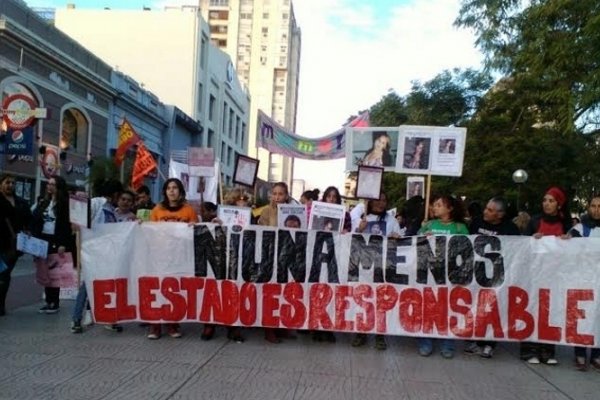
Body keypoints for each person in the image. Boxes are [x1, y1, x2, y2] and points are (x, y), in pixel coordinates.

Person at [520, 186, 571, 365]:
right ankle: (529, 350)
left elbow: (574, 248)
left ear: (559, 204)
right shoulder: (534, 221)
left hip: (555, 275)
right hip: (534, 274)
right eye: (545, 200)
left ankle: (548, 351)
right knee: (531, 310)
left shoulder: (566, 223)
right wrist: (531, 239)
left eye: (551, 201)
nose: (547, 204)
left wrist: (569, 241)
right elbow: (521, 245)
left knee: (551, 312)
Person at [463, 197, 520, 358]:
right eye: (486, 208)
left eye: (489, 210)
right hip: (477, 273)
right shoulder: (476, 223)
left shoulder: (511, 229)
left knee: (493, 308)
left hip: (497, 275)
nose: (485, 212)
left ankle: (489, 343)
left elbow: (517, 250)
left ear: (500, 214)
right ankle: (474, 339)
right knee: (475, 305)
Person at [417, 195, 469, 358]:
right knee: (428, 308)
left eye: (439, 205)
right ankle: (425, 342)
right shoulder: (429, 225)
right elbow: (414, 243)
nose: (435, 207)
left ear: (450, 208)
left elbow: (467, 248)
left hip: (450, 275)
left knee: (448, 309)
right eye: (434, 205)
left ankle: (448, 344)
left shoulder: (460, 228)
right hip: (429, 274)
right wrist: (423, 233)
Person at [147, 178, 199, 340]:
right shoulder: (157, 210)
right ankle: (155, 326)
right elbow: (150, 232)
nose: (171, 191)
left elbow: (196, 232)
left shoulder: (189, 211)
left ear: (180, 191)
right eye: (168, 188)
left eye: (175, 188)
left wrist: (194, 227)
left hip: (179, 256)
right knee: (157, 290)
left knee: (174, 291)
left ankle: (172, 324)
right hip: (160, 256)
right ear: (165, 191)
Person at [71, 178, 124, 334]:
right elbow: (77, 225)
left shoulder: (112, 211)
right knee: (87, 286)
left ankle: (108, 318)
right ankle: (76, 318)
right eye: (119, 195)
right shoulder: (95, 204)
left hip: (107, 254)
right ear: (114, 194)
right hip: (92, 252)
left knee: (107, 285)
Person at [352, 192, 402, 350]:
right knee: (364, 300)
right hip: (365, 266)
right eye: (378, 200)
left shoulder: (391, 220)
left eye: (384, 200)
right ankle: (361, 333)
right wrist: (359, 230)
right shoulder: (364, 219)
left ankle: (380, 335)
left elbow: (401, 240)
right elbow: (352, 241)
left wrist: (396, 237)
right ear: (371, 202)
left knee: (381, 301)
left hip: (383, 267)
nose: (381, 203)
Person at [30, 175, 74, 314]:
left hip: (57, 240)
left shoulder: (64, 203)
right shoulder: (44, 202)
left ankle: (54, 302)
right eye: (48, 184)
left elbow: (67, 226)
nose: (49, 186)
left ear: (59, 187)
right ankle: (48, 301)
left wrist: (63, 243)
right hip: (43, 239)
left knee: (55, 272)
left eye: (53, 184)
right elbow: (36, 218)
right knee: (44, 272)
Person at [567, 194, 600, 371]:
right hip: (584, 279)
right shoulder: (580, 228)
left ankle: (596, 354)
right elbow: (567, 247)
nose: (596, 209)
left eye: (599, 206)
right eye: (593, 206)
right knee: (582, 316)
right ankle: (579, 353)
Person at [258, 182, 293, 343]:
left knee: (285, 292)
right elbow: (260, 231)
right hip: (270, 256)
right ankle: (269, 328)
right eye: (275, 193)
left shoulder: (294, 211)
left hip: (286, 256)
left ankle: (281, 326)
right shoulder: (266, 211)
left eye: (281, 194)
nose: (277, 197)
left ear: (286, 196)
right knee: (271, 292)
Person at [0, 174, 32, 316]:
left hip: (13, 245)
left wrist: (28, 229)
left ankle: (1, 304)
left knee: (5, 275)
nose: (10, 185)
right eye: (7, 182)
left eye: (13, 183)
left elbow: (29, 219)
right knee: (2, 274)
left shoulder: (20, 202)